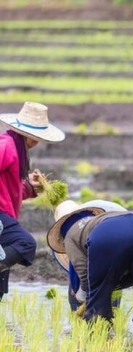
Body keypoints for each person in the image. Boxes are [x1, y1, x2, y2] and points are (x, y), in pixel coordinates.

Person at [46, 201, 133, 326]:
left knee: (97, 315)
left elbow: (85, 276)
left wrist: (81, 298)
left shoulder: (70, 236)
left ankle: (101, 336)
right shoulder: (98, 219)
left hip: (108, 235)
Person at [0, 102, 65, 301]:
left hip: (6, 214)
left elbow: (10, 189)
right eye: (34, 136)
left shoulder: (17, 149)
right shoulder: (5, 145)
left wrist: (30, 186)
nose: (37, 141)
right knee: (25, 243)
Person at [51, 200, 129, 311]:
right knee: (112, 289)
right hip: (118, 251)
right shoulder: (91, 218)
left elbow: (81, 271)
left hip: (109, 250)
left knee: (83, 295)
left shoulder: (73, 234)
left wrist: (79, 293)